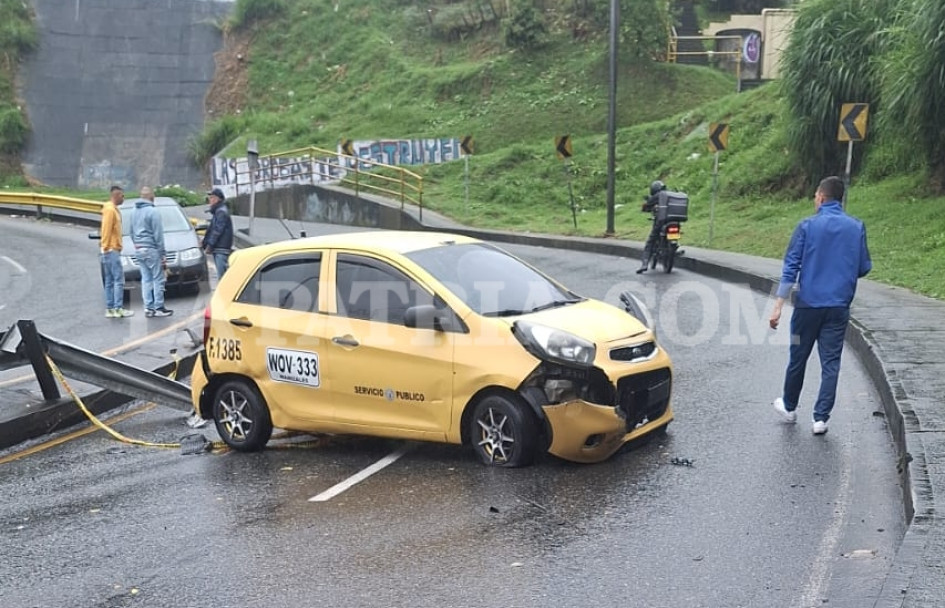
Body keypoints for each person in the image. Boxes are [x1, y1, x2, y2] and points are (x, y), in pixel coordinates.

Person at [769, 176, 872, 435]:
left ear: (822, 197)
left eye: (816, 196)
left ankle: (790, 407)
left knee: (798, 357)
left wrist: (778, 305)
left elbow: (791, 267)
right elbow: (863, 267)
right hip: (838, 306)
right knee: (831, 362)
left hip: (807, 305)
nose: (815, 199)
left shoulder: (806, 226)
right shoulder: (856, 227)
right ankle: (821, 419)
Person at [131, 186, 173, 318]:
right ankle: (159, 306)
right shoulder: (153, 212)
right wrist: (162, 254)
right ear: (151, 197)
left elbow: (131, 232)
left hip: (139, 249)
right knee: (158, 278)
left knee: (146, 279)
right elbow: (158, 235)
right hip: (151, 249)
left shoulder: (133, 211)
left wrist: (137, 244)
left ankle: (148, 308)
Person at [100, 185, 134, 318]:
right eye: (122, 195)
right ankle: (117, 307)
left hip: (108, 249)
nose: (123, 198)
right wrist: (106, 247)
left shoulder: (111, 209)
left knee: (109, 280)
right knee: (118, 280)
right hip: (111, 249)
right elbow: (106, 230)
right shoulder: (110, 211)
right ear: (116, 195)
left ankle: (110, 308)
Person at [636, 180, 667, 274]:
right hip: (674, 221)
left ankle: (644, 264)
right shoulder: (671, 195)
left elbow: (646, 206)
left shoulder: (657, 196)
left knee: (651, 241)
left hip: (661, 222)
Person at [202, 188, 233, 279]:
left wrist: (210, 245)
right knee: (222, 274)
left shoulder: (221, 212)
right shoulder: (218, 211)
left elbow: (217, 231)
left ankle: (226, 293)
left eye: (211, 198)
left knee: (222, 276)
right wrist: (204, 242)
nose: (209, 200)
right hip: (220, 248)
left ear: (217, 199)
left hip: (221, 248)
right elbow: (211, 229)